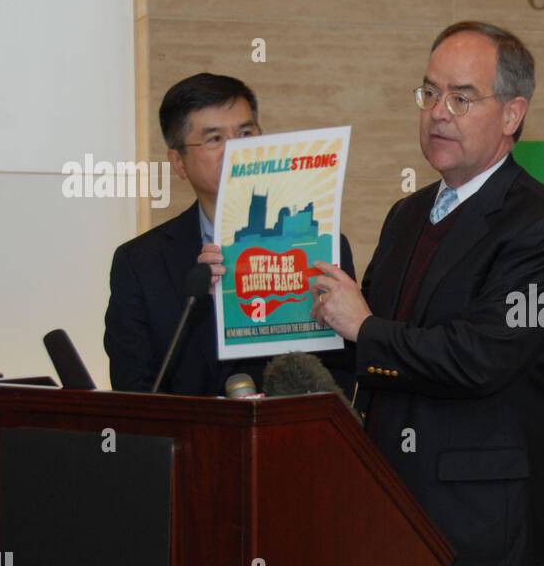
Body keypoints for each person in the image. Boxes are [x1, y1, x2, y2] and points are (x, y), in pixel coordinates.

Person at [206, 22, 544, 566]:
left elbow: (483, 358)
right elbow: (361, 356)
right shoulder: (411, 214)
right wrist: (249, 291)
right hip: (391, 525)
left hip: (482, 535)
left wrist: (365, 328)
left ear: (513, 114)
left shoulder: (542, 224)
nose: (438, 111)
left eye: (463, 96)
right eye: (430, 91)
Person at [105, 73, 356, 395]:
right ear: (178, 162)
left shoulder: (321, 247)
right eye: (214, 139)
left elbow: (341, 375)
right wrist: (210, 307)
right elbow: (137, 391)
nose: (236, 149)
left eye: (246, 132)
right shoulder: (139, 263)